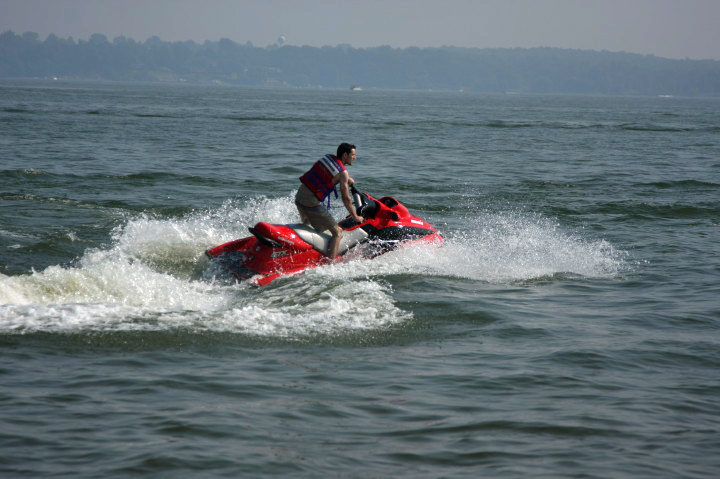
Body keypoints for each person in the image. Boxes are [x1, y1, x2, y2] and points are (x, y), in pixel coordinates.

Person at [295, 142, 364, 260]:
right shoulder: (342, 173)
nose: (355, 157)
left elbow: (326, 174)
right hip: (311, 202)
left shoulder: (327, 158)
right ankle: (330, 263)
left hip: (300, 197)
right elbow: (346, 198)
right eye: (353, 155)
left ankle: (300, 251)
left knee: (307, 223)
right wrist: (355, 216)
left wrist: (346, 179)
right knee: (337, 232)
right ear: (345, 155)